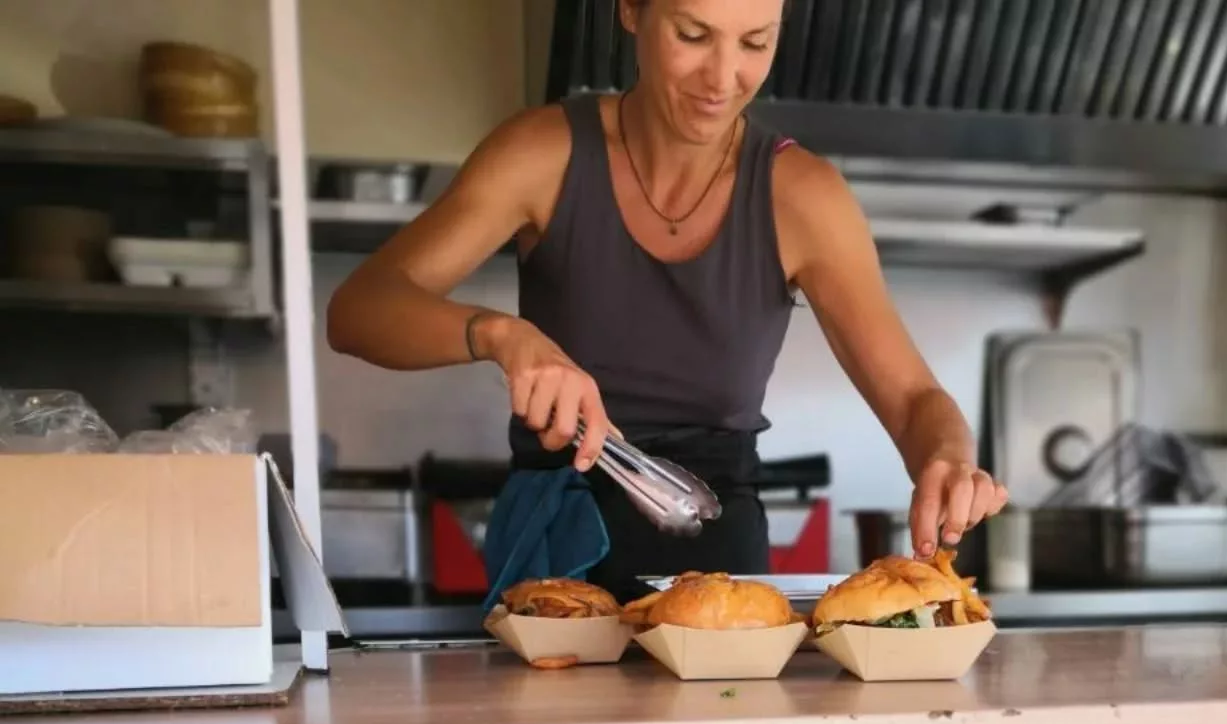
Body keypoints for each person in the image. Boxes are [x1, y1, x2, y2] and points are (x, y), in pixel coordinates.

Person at [327, 0, 1007, 602]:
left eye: (755, 42)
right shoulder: (542, 153)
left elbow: (914, 399)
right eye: (693, 34)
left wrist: (947, 457)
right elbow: (359, 309)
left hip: (718, 583)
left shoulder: (804, 197)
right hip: (551, 568)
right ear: (631, 10)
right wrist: (502, 336)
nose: (722, 78)